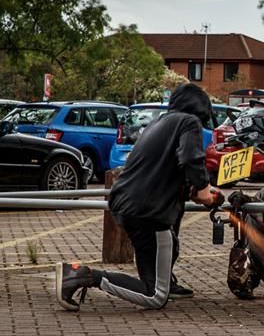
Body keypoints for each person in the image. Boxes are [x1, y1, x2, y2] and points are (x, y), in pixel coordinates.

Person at [55, 83, 224, 311]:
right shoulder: (188, 122)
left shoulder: (158, 123)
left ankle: (163, 281)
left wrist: (192, 189)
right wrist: (204, 190)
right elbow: (190, 159)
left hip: (126, 204)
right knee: (155, 296)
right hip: (150, 211)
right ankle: (82, 275)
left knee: (168, 246)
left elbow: (165, 167)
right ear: (200, 110)